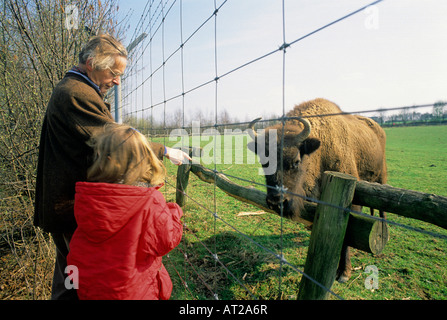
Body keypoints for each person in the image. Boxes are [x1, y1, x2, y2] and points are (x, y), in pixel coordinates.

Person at [33, 34, 190, 300]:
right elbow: (113, 140)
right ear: (92, 63)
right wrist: (163, 150)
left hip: (70, 205)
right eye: (113, 72)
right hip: (70, 208)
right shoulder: (76, 93)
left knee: (70, 278)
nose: (117, 80)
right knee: (74, 284)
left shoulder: (74, 88)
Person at [66, 124, 183, 300]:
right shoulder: (149, 200)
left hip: (92, 290)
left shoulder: (89, 197)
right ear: (145, 158)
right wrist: (174, 211)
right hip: (135, 291)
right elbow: (167, 240)